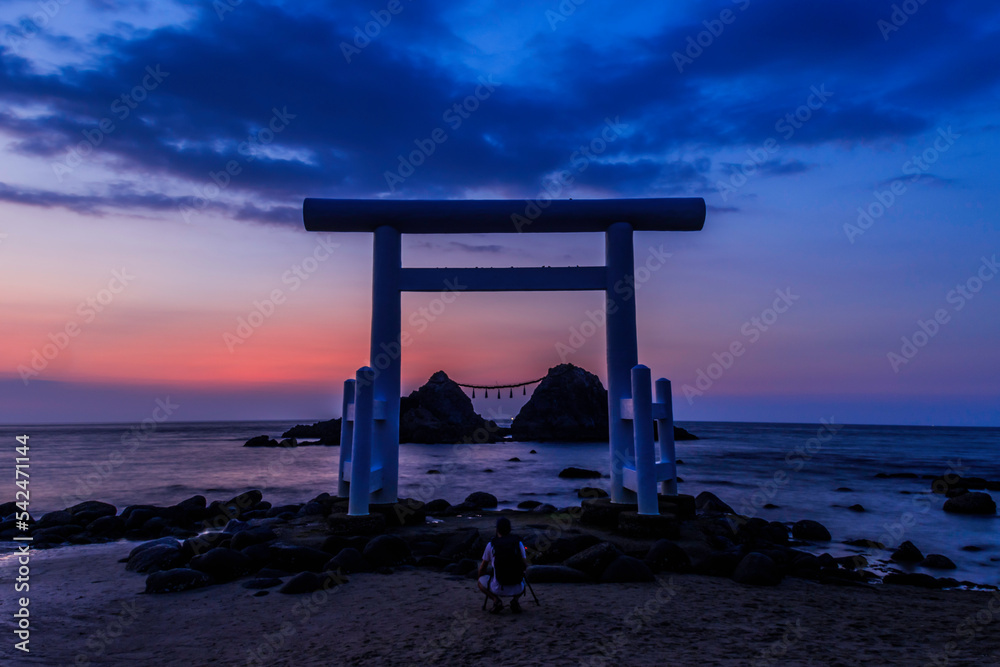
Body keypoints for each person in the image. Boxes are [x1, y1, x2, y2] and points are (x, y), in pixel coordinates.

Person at [477, 516, 528, 614]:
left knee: (480, 582)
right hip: (518, 588)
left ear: (497, 529)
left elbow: (482, 567)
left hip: (498, 588)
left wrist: (480, 578)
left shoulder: (491, 545)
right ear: (509, 529)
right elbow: (524, 565)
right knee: (524, 577)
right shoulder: (518, 544)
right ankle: (515, 601)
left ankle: (496, 601)